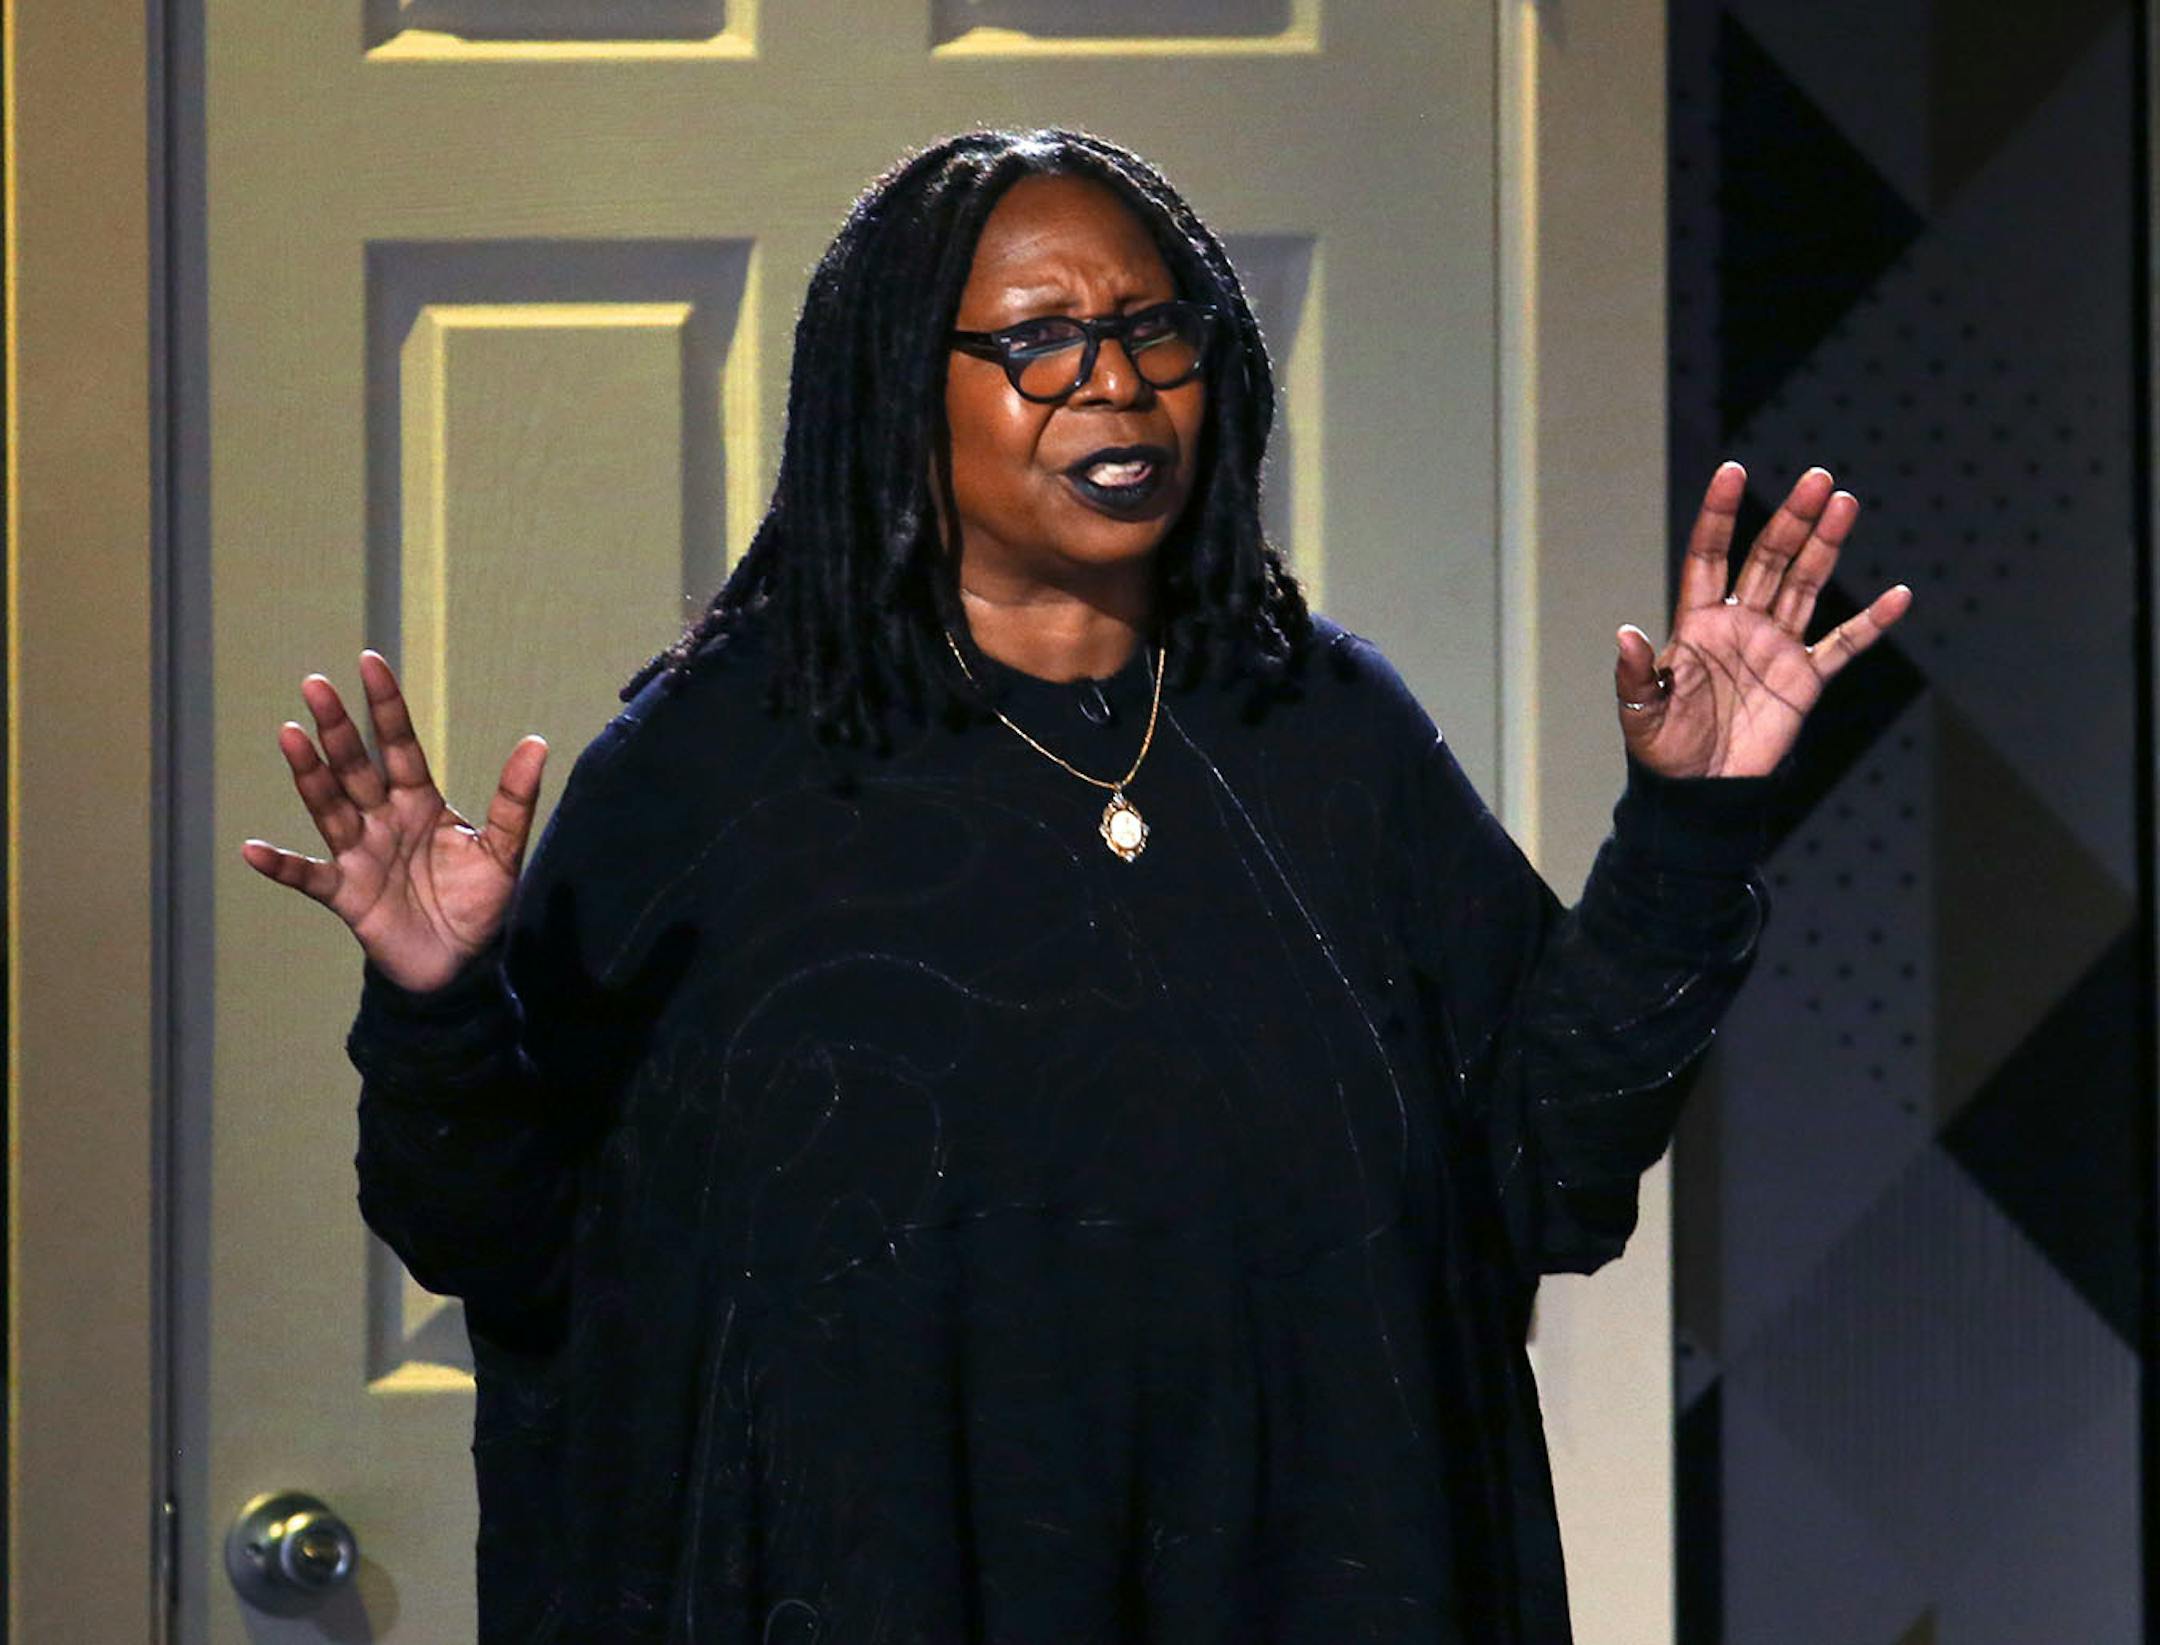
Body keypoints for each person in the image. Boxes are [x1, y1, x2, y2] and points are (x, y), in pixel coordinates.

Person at [244, 128, 1910, 1643]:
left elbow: (1548, 1161)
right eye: (1038, 341)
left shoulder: (1319, 730)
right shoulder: (714, 768)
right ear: (906, 387)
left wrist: (1690, 824)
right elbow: (493, 1234)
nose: (1116, 385)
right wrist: (438, 1000)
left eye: (1155, 329)